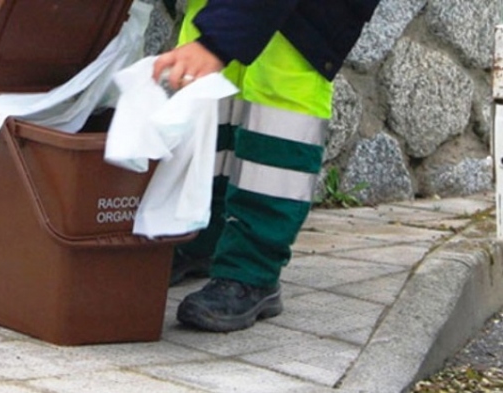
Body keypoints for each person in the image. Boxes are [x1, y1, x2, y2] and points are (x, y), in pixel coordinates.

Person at [152, 0, 380, 333]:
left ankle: (251, 269)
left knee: (278, 107)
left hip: (306, 15)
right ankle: (200, 235)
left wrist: (217, 42)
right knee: (206, 91)